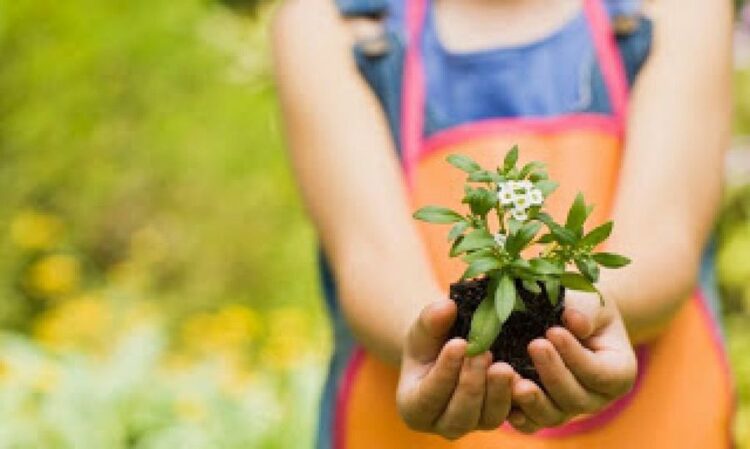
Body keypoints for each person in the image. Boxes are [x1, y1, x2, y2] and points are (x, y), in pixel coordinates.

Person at [272, 0, 734, 447]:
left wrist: (578, 311)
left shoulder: (670, 9)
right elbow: (369, 259)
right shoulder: (334, 25)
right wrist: (443, 343)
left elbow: (664, 241)